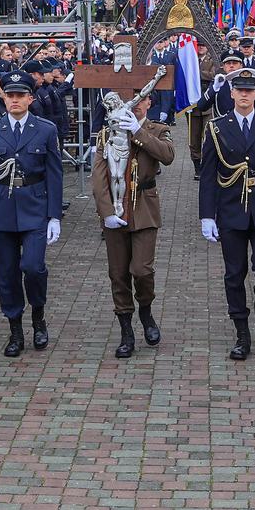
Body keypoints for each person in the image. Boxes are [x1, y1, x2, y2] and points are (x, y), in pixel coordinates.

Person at [199, 67, 255, 360]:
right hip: (230, 208)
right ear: (230, 92)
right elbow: (208, 174)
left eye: (249, 90)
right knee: (234, 273)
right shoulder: (217, 126)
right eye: (239, 90)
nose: (244, 95)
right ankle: (241, 332)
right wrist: (207, 215)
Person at [0, 71, 64, 359]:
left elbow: (54, 175)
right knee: (8, 274)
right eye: (10, 95)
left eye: (20, 95)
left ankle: (38, 316)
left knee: (33, 267)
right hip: (1, 209)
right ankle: (15, 330)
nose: (14, 100)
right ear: (4, 97)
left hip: (35, 206)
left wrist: (55, 216)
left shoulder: (46, 129)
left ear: (30, 98)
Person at [91, 86, 175, 358]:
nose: (133, 104)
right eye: (127, 99)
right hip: (116, 209)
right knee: (118, 273)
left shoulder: (157, 129)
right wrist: (106, 212)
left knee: (142, 269)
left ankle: (146, 311)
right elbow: (99, 177)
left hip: (144, 208)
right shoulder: (107, 133)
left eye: (139, 99)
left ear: (148, 101)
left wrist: (137, 132)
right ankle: (126, 329)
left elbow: (167, 155)